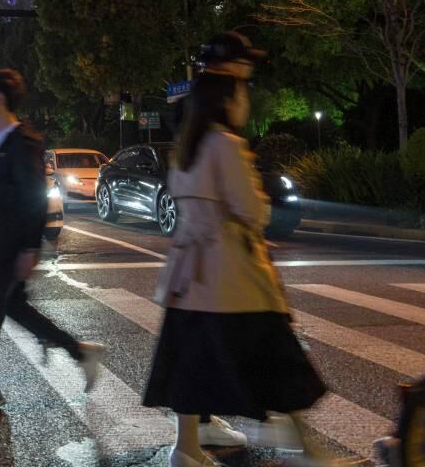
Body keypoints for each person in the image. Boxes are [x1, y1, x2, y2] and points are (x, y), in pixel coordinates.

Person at [143, 45, 358, 467]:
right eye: (241, 94)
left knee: (190, 362)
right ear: (226, 99)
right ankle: (303, 449)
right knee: (277, 357)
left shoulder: (187, 146)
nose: (245, 101)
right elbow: (252, 210)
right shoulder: (226, 145)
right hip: (232, 275)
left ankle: (185, 450)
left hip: (187, 276)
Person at [0, 70, 104, 414]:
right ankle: (79, 351)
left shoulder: (24, 142)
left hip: (10, 245)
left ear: (0, 100)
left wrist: (30, 249)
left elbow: (33, 198)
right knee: (14, 308)